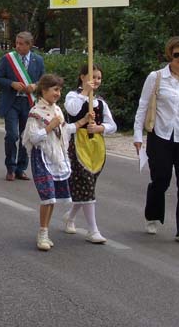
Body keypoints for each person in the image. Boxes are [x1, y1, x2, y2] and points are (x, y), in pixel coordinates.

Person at [133, 36, 179, 246]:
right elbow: (143, 106)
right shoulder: (156, 77)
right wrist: (137, 135)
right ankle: (153, 215)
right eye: (177, 54)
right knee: (160, 180)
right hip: (161, 135)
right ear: (169, 55)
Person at [62, 64, 117, 244]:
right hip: (77, 145)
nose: (96, 81)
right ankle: (93, 230)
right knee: (86, 183)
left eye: (99, 78)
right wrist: (85, 92)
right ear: (82, 77)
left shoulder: (100, 102)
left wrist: (100, 127)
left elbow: (112, 125)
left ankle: (70, 216)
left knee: (88, 186)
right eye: (93, 77)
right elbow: (72, 110)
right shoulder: (73, 96)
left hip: (96, 147)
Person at [22, 74, 72, 251]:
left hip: (55, 156)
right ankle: (42, 233)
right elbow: (33, 138)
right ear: (44, 90)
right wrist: (50, 126)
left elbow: (64, 133)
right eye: (55, 89)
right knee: (47, 196)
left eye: (60, 90)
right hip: (42, 157)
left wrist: (82, 122)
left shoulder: (57, 110)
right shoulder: (35, 113)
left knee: (52, 199)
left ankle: (45, 231)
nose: (58, 93)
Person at [0, 31, 45, 181]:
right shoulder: (8, 59)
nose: (18, 46)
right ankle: (10, 167)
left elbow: (43, 80)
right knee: (12, 135)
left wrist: (35, 86)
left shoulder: (38, 60)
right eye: (17, 43)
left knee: (26, 135)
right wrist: (11, 83)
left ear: (29, 45)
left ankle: (21, 168)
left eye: (21, 44)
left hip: (29, 102)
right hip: (12, 102)